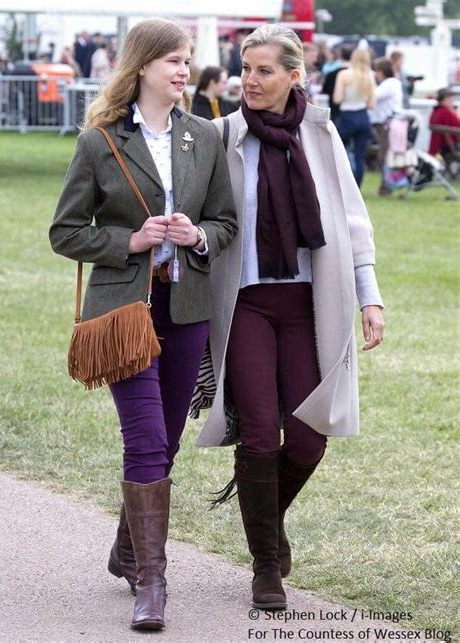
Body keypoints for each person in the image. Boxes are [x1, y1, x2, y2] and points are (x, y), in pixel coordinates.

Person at [49, 18, 237, 631]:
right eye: (173, 61)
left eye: (188, 60)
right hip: (123, 315)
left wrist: (197, 236)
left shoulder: (204, 136)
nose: (184, 71)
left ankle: (127, 549)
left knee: (167, 440)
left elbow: (225, 222)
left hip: (186, 310)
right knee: (148, 439)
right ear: (142, 66)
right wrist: (127, 240)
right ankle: (151, 580)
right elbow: (65, 231)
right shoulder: (99, 140)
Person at [193, 24, 385, 611]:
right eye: (244, 69)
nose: (250, 80)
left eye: (264, 70)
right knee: (258, 433)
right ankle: (265, 566)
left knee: (307, 438)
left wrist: (368, 295)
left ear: (294, 75)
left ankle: (267, 522)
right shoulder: (221, 135)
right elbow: (200, 213)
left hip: (307, 305)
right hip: (245, 304)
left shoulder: (321, 134)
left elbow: (352, 222)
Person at [333, 48, 376, 186]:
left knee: (339, 149)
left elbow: (337, 99)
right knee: (359, 154)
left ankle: (344, 181)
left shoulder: (344, 75)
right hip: (363, 116)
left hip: (347, 115)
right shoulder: (370, 76)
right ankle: (357, 186)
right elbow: (372, 104)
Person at [369, 57, 403, 196]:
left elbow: (373, 96)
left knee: (384, 155)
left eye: (376, 71)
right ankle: (387, 186)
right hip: (388, 123)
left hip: (386, 125)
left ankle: (386, 187)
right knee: (385, 155)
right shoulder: (393, 83)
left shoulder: (389, 84)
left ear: (382, 71)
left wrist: (369, 82)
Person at [322, 45, 352, 122]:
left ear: (340, 56)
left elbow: (325, 90)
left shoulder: (332, 74)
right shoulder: (360, 75)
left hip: (336, 112)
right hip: (355, 113)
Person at [428, 87, 460, 157]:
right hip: (447, 148)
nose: (452, 100)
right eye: (450, 98)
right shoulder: (445, 112)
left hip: (440, 148)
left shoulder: (436, 111)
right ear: (445, 99)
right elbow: (457, 126)